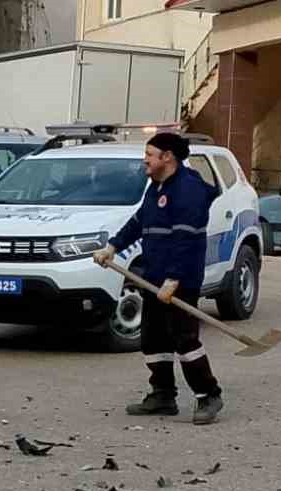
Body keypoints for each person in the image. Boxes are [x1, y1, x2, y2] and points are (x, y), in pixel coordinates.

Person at [93, 132, 225, 425]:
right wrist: (112, 247)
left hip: (180, 280)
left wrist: (174, 279)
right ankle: (163, 395)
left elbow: (186, 240)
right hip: (154, 277)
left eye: (149, 155)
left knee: (184, 340)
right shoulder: (156, 188)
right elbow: (140, 222)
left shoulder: (188, 190)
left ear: (168, 157)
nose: (145, 161)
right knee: (153, 339)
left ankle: (209, 395)